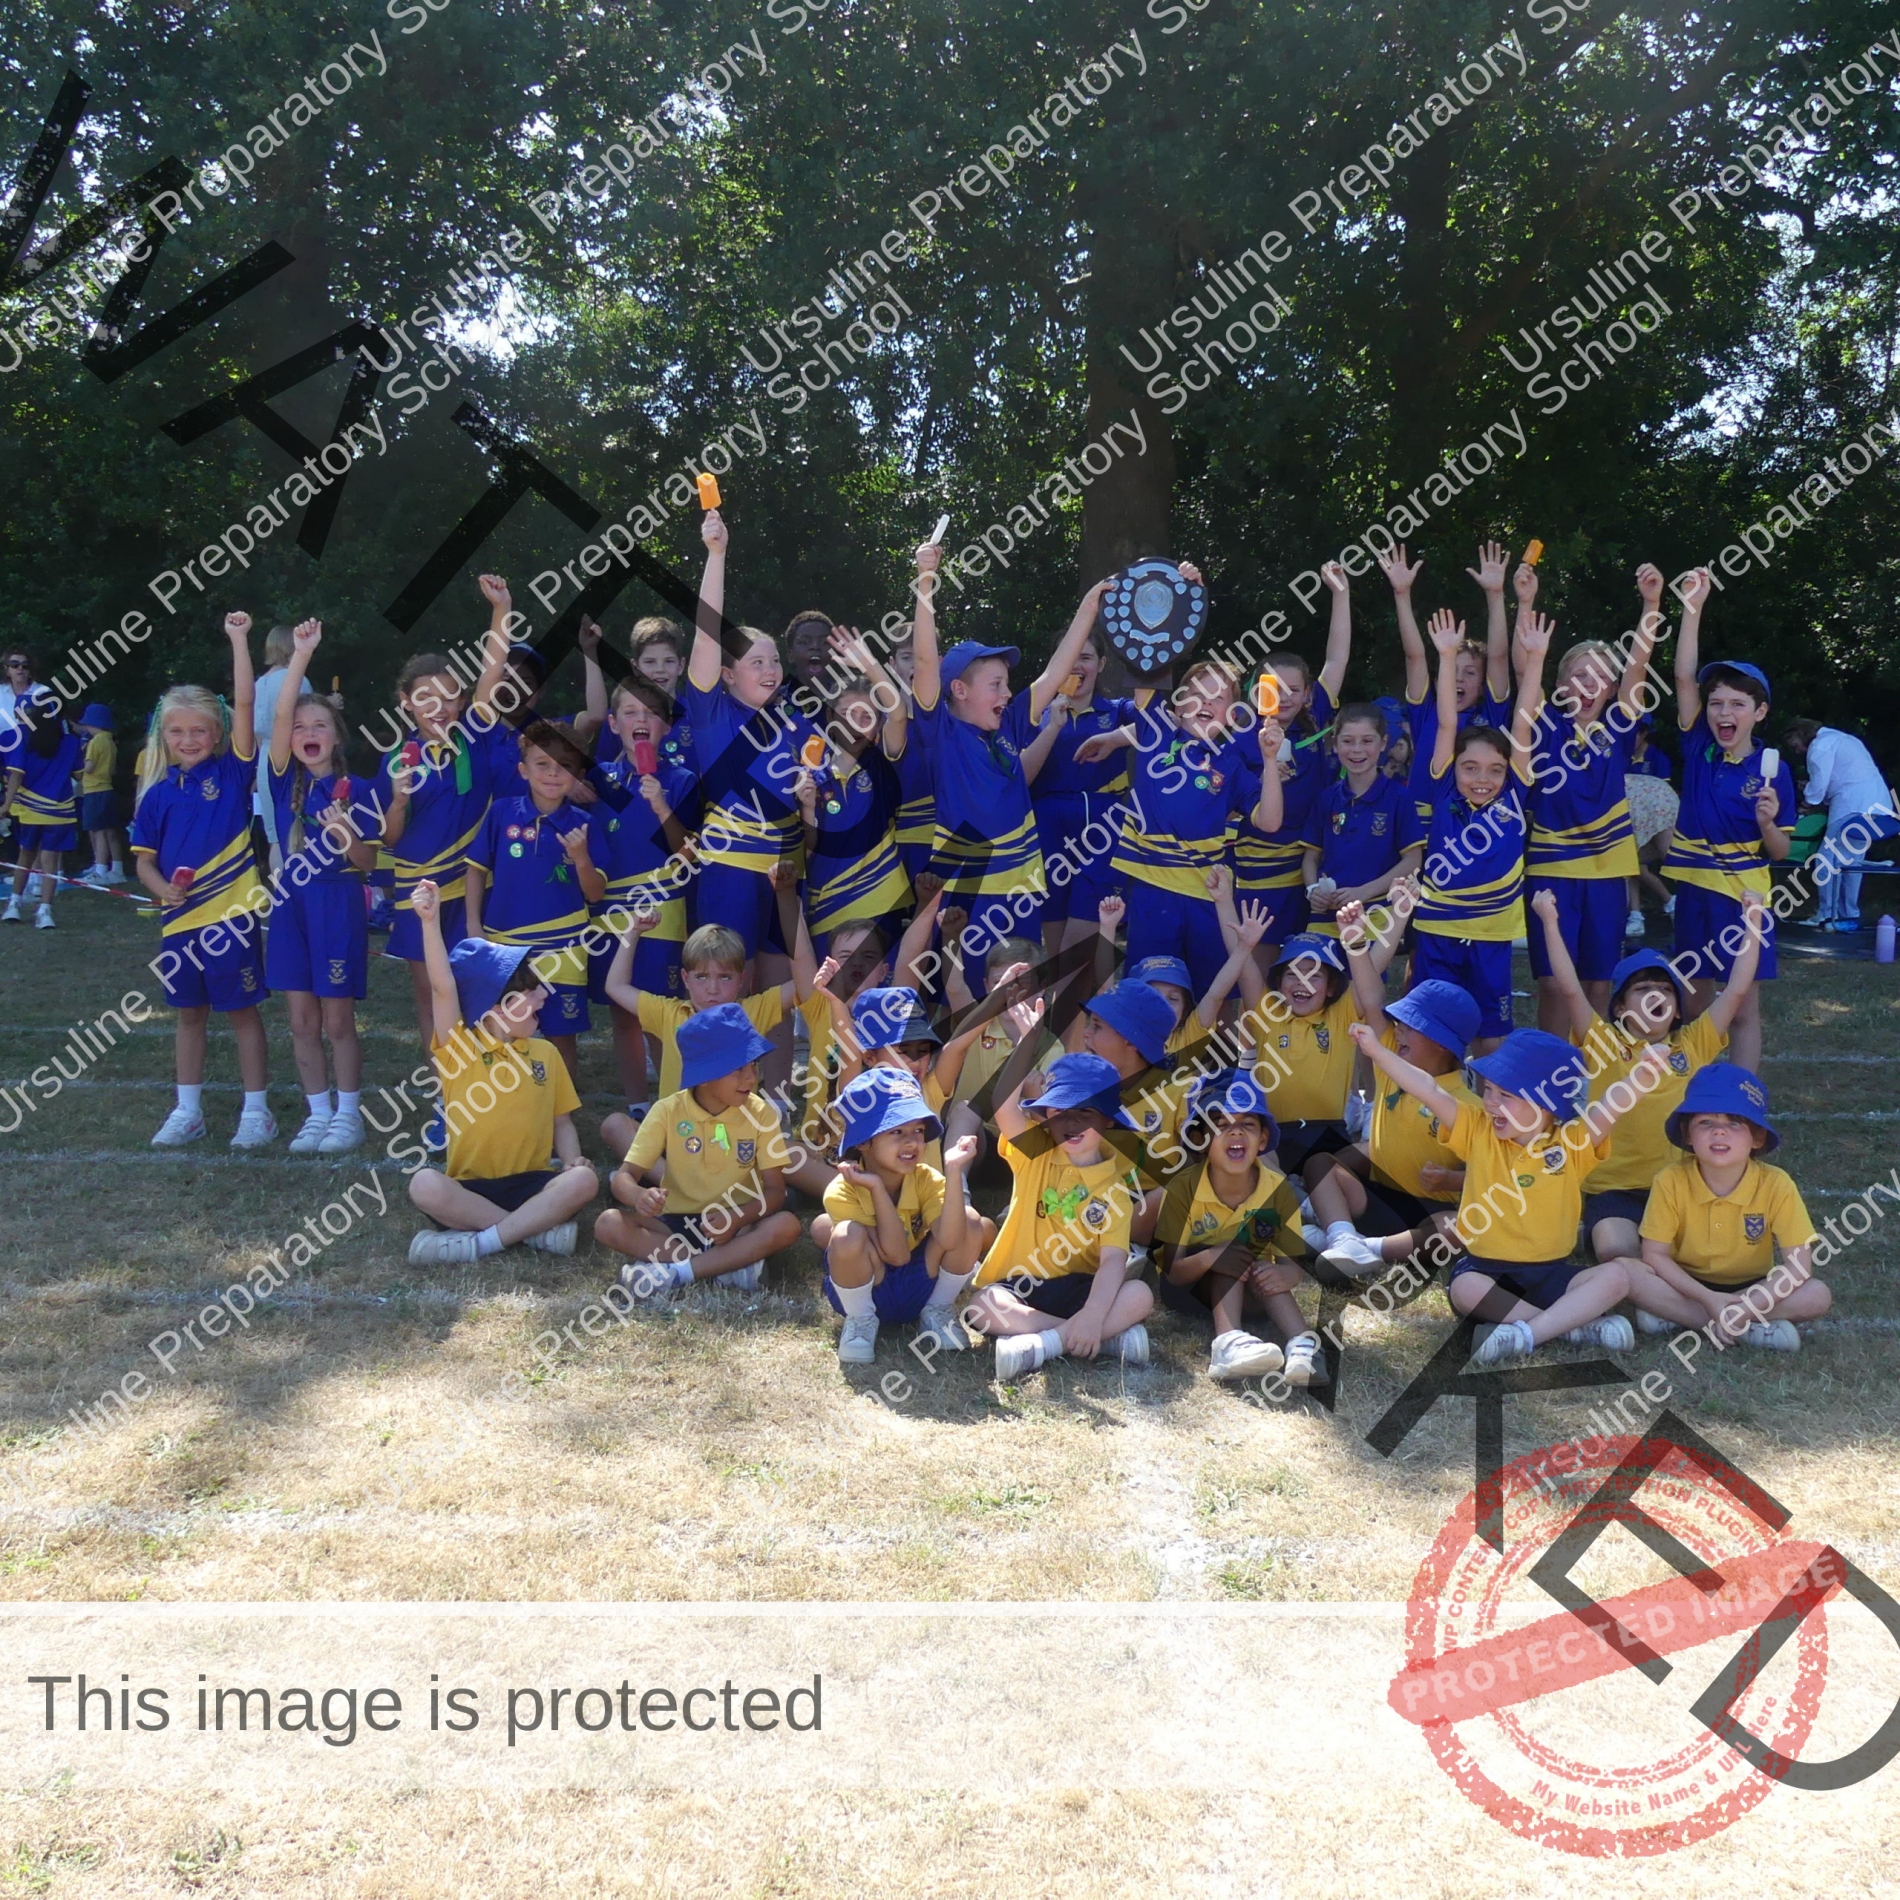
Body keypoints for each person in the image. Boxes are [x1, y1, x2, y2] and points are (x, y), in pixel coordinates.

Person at [1349, 1022, 1656, 1366]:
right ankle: (1569, 1326)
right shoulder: (1476, 1130)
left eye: (1505, 1095)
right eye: (1489, 1090)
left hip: (1552, 1273)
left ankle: (1527, 1334)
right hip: (1487, 1272)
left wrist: (1643, 1075)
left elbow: (1610, 1108)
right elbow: (1428, 1088)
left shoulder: (1572, 1144)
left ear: (1544, 1104)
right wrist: (1377, 1052)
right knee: (1464, 1288)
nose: (1491, 1102)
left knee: (1617, 1277)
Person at [909, 538, 1104, 992]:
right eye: (996, 684)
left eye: (1007, 683)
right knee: (966, 999)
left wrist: (1088, 609)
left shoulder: (1009, 725)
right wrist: (925, 582)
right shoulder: (940, 733)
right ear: (959, 691)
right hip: (968, 889)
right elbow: (924, 660)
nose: (1006, 692)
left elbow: (1054, 674)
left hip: (1021, 889)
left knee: (1020, 997)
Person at [1534, 887, 1764, 1268]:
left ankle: (1653, 1268)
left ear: (1678, 1011)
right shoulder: (1603, 1042)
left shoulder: (1693, 1043)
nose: (1656, 996)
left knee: (1708, 1254)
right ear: (1619, 1007)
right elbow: (1569, 988)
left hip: (1678, 1185)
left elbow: (1737, 990)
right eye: (1642, 989)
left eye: (1665, 991)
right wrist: (1548, 921)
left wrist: (1752, 922)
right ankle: (1634, 1256)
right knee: (1614, 1249)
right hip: (1612, 1188)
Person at [375, 577, 525, 1093]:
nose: (439, 707)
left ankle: (492, 1089)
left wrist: (501, 609)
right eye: (426, 698)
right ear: (406, 703)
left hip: (476, 889)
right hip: (421, 896)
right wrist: (398, 801)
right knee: (431, 995)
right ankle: (447, 1093)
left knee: (485, 989)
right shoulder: (396, 760)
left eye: (449, 697)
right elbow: (390, 839)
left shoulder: (475, 736)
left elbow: (493, 672)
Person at [130, 612, 275, 1149]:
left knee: (241, 1012)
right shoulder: (157, 795)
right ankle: (187, 1110)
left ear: (217, 734)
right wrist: (160, 888)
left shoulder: (233, 772)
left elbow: (245, 703)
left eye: (198, 730)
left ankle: (257, 1112)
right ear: (163, 736)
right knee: (188, 1014)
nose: (188, 739)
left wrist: (238, 639)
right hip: (179, 922)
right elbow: (143, 862)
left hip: (232, 917)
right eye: (177, 731)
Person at [402, 879, 600, 1265]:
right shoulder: (460, 1050)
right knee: (424, 1183)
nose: (543, 995)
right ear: (495, 1008)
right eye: (530, 991)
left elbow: (561, 1123)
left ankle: (481, 1242)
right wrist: (429, 922)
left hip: (533, 1184)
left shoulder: (546, 1053)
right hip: (469, 1189)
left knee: (584, 1180)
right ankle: (531, 1232)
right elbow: (442, 989)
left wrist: (572, 1160)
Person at [1521, 562, 1664, 1030]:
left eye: (1600, 677)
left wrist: (1651, 604)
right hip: (1552, 871)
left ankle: (1592, 1066)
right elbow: (1525, 666)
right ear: (1561, 684)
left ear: (1612, 688)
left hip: (1607, 872)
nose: (1588, 685)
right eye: (1579, 675)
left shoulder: (1619, 727)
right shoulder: (1545, 725)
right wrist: (1525, 602)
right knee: (1551, 982)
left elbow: (1639, 665)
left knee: (1599, 984)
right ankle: (1549, 1062)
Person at [1663, 569, 1794, 1072]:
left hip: (1745, 900)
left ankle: (1743, 1095)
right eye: (1716, 702)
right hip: (1694, 893)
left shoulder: (1775, 771)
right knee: (1694, 1003)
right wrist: (1692, 608)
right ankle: (1692, 1089)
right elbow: (1683, 677)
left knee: (1741, 1006)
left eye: (1737, 704)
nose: (1724, 712)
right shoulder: (1699, 746)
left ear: (1759, 713)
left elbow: (1780, 852)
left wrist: (1768, 824)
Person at [682, 508, 819, 989]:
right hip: (730, 871)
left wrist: (810, 796)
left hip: (785, 871)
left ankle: (779, 1053)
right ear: (727, 674)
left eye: (774, 660)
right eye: (755, 662)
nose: (770, 669)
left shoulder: (798, 722)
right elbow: (706, 634)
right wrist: (716, 555)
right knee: (726, 988)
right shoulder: (713, 714)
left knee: (782, 993)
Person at [1307, 903, 1480, 1279]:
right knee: (1322, 1161)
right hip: (1374, 1194)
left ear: (1442, 1044)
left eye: (1410, 1026)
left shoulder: (1467, 1104)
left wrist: (1450, 1180)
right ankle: (1342, 1236)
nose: (1397, 1030)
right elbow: (1371, 999)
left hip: (1426, 1214)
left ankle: (1366, 1248)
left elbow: (1490, 1175)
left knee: (1459, 1227)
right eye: (1398, 1023)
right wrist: (1355, 943)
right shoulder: (1389, 1055)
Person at [963, 1052, 1155, 1379]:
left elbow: (1113, 1260)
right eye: (1059, 1111)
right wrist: (1029, 1041)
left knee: (1140, 1295)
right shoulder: (1034, 1151)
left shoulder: (1115, 1191)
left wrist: (1093, 1313)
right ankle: (1097, 1339)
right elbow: (1003, 1105)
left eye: (1085, 1111)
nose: (1071, 1122)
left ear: (1108, 1119)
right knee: (981, 1306)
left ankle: (1046, 1344)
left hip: (1080, 1290)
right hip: (1021, 1285)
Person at [264, 620, 379, 1156]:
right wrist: (301, 657)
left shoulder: (358, 789)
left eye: (320, 725)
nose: (308, 731)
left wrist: (345, 833)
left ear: (336, 737)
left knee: (337, 1018)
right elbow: (279, 713)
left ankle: (348, 1115)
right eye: (300, 726)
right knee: (301, 1018)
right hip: (291, 903)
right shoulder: (283, 779)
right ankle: (318, 1113)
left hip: (337, 901)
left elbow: (368, 862)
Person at [1407, 605, 1546, 1051]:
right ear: (1454, 768)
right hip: (1438, 928)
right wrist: (1447, 657)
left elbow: (1523, 721)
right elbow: (1447, 721)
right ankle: (1432, 1093)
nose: (1482, 779)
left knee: (1492, 1033)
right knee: (1431, 1030)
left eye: (1494, 769)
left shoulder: (1514, 794)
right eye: (1470, 768)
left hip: (1492, 933)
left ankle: (1488, 1092)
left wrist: (1536, 660)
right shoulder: (1444, 788)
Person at [595, 1003, 803, 1295]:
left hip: (738, 1224)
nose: (751, 1077)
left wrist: (737, 1218)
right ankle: (727, 1265)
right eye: (738, 1068)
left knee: (787, 1226)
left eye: (754, 1065)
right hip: (673, 1224)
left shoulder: (762, 1113)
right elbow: (623, 1177)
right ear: (704, 1075)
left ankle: (676, 1273)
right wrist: (639, 1195)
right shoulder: (667, 1111)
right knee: (608, 1224)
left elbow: (775, 1191)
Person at [1621, 1065, 1828, 1352]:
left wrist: (1744, 1307)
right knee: (1626, 1271)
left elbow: (1798, 1267)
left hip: (1753, 1287)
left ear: (1757, 1137)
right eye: (1706, 1122)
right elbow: (1654, 1256)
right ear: (1687, 1134)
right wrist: (1708, 1299)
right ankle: (1747, 1328)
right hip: (1685, 1285)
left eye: (1735, 1123)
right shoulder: (1670, 1180)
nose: (1719, 1131)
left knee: (1817, 1294)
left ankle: (1684, 1317)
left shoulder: (1777, 1184)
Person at [1110, 652, 1284, 992]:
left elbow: (1269, 822)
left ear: (1232, 715)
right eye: (1197, 694)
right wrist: (1159, 630)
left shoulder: (1231, 763)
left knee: (1211, 991)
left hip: (1209, 896)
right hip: (1153, 891)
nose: (1206, 702)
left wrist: (1270, 760)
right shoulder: (1155, 732)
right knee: (1145, 990)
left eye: (1218, 697)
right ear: (1177, 705)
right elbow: (1145, 671)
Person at [1154, 1070, 1321, 1385]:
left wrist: (1286, 1274)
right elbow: (1172, 1272)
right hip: (1189, 1287)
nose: (1235, 1133)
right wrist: (1213, 1257)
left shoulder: (1278, 1190)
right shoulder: (1182, 1189)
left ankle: (1304, 1346)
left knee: (1254, 1262)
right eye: (1221, 1125)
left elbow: (1291, 1267)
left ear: (1263, 1139)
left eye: (1247, 1124)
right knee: (1231, 1254)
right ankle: (1228, 1343)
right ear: (1201, 1139)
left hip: (1251, 1288)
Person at [465, 720, 610, 1082]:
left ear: (578, 775)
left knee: (561, 1038)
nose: (553, 773)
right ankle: (508, 1108)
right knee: (502, 1031)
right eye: (542, 764)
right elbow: (475, 870)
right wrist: (472, 925)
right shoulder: (501, 813)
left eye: (564, 766)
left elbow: (595, 893)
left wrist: (581, 858)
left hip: (564, 951)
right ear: (523, 770)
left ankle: (563, 1111)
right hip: (506, 948)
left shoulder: (585, 824)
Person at [584, 673, 697, 1122]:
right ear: (614, 724)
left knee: (658, 1010)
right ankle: (636, 1104)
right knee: (622, 1009)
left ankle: (672, 1100)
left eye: (651, 713)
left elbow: (688, 854)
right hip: (610, 912)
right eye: (630, 712)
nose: (641, 720)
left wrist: (662, 806)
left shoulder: (682, 779)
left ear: (666, 726)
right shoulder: (599, 781)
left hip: (661, 911)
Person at [819, 1067, 983, 1364]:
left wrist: (954, 1170)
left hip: (922, 1287)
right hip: (871, 1287)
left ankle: (938, 1310)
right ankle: (860, 1321)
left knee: (970, 1220)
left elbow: (950, 1239)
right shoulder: (841, 1190)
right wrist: (876, 1188)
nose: (912, 1142)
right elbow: (896, 1256)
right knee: (845, 1235)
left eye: (918, 1131)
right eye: (897, 1131)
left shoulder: (927, 1178)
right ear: (863, 1142)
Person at [1233, 560, 1354, 962]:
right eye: (1274, 687)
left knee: (1308, 961)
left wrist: (1340, 594)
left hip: (1312, 864)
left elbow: (1336, 659)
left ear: (1307, 695)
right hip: (1259, 867)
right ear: (1256, 690)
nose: (1284, 697)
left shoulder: (1316, 718)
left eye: (1294, 689)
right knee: (1259, 960)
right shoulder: (1238, 735)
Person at [1020, 618, 1137, 957]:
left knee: (1082, 937)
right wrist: (1053, 726)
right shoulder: (1035, 714)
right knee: (1056, 943)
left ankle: (1077, 990)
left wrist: (1116, 739)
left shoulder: (1117, 711)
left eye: (1085, 657)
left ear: (1101, 664)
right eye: (1069, 656)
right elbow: (1019, 776)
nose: (1076, 665)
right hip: (1047, 827)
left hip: (1102, 827)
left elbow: (1165, 723)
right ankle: (1061, 993)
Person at [1377, 541, 1516, 822]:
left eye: (1470, 672)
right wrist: (1401, 594)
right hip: (1419, 823)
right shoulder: (1426, 712)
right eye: (1452, 670)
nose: (1459, 678)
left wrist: (1495, 594)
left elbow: (1499, 657)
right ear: (1438, 680)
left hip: (1473, 823)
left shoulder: (1492, 715)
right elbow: (1414, 657)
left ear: (1482, 686)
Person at [793, 629, 912, 949]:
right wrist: (807, 807)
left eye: (866, 716)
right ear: (831, 717)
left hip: (881, 902)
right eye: (847, 714)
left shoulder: (884, 763)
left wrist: (869, 664)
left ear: (877, 725)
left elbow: (898, 713)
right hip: (827, 907)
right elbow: (807, 850)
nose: (857, 724)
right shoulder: (810, 771)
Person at [1301, 701, 1423, 938]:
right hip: (1325, 917)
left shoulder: (1399, 797)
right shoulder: (1326, 798)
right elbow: (1311, 857)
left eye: (1367, 741)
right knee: (1307, 963)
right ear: (1335, 744)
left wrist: (1364, 892)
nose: (1357, 750)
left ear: (1383, 743)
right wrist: (1313, 889)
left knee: (1363, 965)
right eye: (1348, 741)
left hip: (1376, 915)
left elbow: (1413, 860)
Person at [1783, 715, 1895, 930]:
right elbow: (1841, 779)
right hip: (1877, 805)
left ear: (1801, 733)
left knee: (1826, 860)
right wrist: (1815, 793)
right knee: (1851, 862)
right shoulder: (1845, 739)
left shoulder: (1819, 746)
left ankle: (1827, 915)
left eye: (1794, 743)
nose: (1795, 750)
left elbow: (1818, 789)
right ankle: (1848, 915)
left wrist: (1806, 801)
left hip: (1851, 806)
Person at [0, 686, 81, 928]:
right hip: (61, 809)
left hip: (29, 808)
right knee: (50, 861)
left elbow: (16, 774)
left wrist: (5, 805)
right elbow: (79, 774)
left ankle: (14, 905)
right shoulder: (70, 741)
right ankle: (45, 912)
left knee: (25, 855)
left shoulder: (22, 737)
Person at [251, 623, 312, 876]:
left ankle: (280, 891)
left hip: (265, 759)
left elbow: (256, 731)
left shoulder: (259, 683)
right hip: (293, 757)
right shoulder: (297, 680)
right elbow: (307, 719)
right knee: (298, 828)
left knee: (274, 835)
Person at [1623, 715, 1678, 938]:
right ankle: (1638, 915)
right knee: (1630, 866)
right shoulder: (1621, 757)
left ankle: (1680, 903)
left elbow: (1662, 795)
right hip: (1631, 821)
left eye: (1632, 734)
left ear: (1644, 733)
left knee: (1669, 859)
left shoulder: (1657, 758)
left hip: (1657, 821)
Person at [74, 702, 126, 886]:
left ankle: (100, 870)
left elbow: (89, 767)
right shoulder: (110, 741)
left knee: (98, 832)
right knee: (110, 831)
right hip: (107, 788)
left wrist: (78, 763)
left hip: (94, 790)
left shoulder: (95, 742)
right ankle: (117, 869)